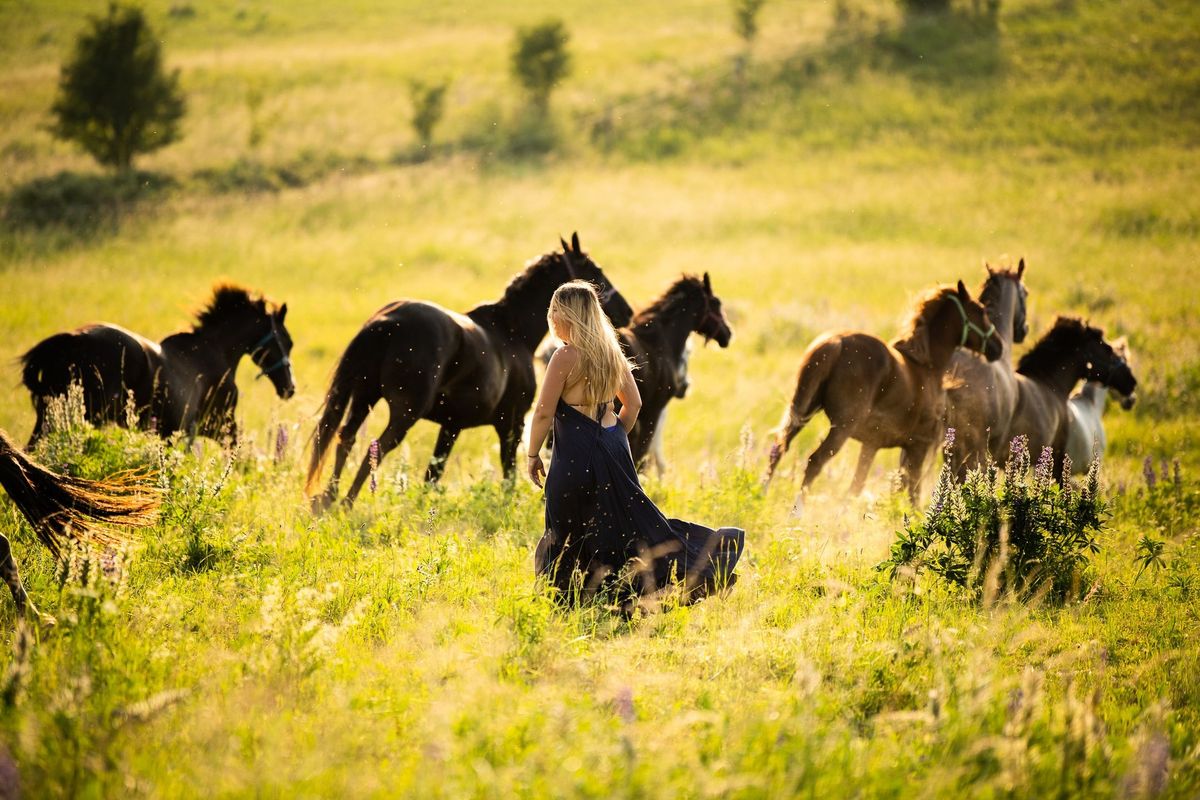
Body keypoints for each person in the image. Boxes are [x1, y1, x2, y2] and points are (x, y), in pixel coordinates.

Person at [528, 281, 744, 607]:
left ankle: (570, 601)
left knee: (567, 526)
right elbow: (634, 404)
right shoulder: (613, 352)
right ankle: (669, 581)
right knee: (626, 526)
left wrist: (532, 454)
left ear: (567, 315)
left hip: (574, 456)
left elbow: (544, 412)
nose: (552, 319)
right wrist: (612, 441)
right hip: (613, 448)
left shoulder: (564, 356)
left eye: (554, 312)